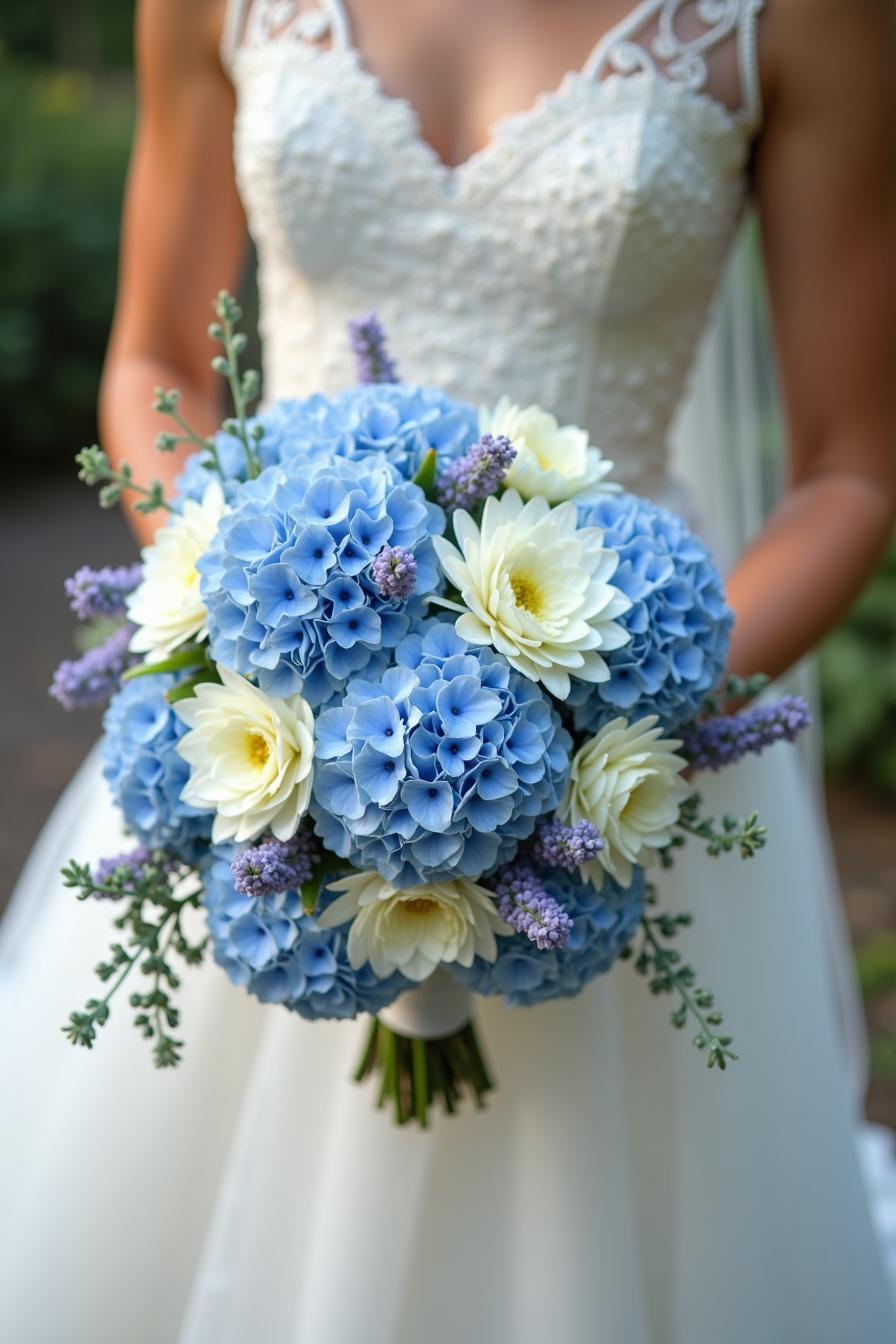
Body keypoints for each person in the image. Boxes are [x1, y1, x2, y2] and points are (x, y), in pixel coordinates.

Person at [2, 1, 896, 1340]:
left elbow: (850, 467)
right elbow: (155, 360)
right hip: (270, 737)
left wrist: (608, 715)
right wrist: (235, 616)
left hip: (630, 765)